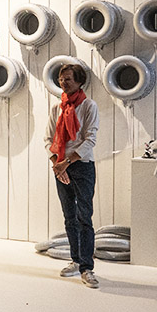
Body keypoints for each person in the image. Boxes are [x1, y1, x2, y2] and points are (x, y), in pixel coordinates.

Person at [46, 63, 100, 289]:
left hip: (82, 166)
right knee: (69, 216)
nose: (63, 82)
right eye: (61, 79)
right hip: (61, 166)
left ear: (79, 81)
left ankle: (87, 268)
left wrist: (66, 163)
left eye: (68, 79)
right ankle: (76, 260)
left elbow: (90, 139)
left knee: (84, 217)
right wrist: (57, 165)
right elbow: (48, 139)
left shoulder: (88, 106)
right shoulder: (56, 108)